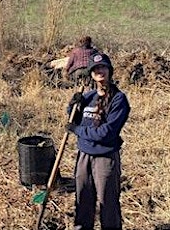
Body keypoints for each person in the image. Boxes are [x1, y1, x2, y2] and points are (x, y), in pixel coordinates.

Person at [66, 53, 130, 230]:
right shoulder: (88, 96)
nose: (99, 71)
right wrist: (73, 105)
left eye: (102, 67)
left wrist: (77, 130)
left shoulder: (119, 99)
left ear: (109, 71)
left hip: (105, 157)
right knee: (83, 199)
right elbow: (75, 117)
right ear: (91, 74)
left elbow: (106, 133)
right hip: (83, 156)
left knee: (107, 203)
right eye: (95, 69)